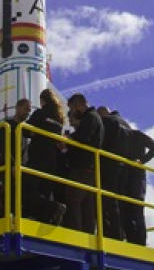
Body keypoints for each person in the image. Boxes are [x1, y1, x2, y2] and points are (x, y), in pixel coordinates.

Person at [106, 110, 154, 246]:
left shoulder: (134, 135)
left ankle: (139, 242)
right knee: (129, 209)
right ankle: (134, 241)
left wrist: (142, 161)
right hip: (129, 176)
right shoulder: (131, 135)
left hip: (134, 176)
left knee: (134, 209)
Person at [21, 89, 67, 224]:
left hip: (38, 157)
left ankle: (53, 208)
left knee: (27, 190)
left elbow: (25, 131)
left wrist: (33, 134)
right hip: (51, 160)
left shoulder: (40, 113)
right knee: (45, 191)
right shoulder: (59, 119)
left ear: (42, 101)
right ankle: (46, 218)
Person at [64, 93, 104, 234]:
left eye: (72, 109)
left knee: (74, 200)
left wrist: (68, 140)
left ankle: (76, 233)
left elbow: (84, 137)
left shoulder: (90, 117)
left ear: (77, 105)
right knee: (87, 205)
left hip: (82, 167)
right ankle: (88, 234)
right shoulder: (94, 118)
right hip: (89, 168)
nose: (72, 113)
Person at [95, 107, 130, 240]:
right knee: (120, 202)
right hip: (126, 167)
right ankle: (122, 234)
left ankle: (113, 234)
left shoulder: (108, 122)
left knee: (109, 201)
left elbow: (102, 142)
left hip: (110, 165)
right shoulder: (126, 124)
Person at [0, 98, 32, 166]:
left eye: (29, 110)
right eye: (25, 109)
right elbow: (4, 147)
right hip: (8, 167)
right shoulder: (7, 125)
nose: (27, 113)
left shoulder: (25, 128)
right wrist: (12, 164)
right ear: (17, 108)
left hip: (22, 166)